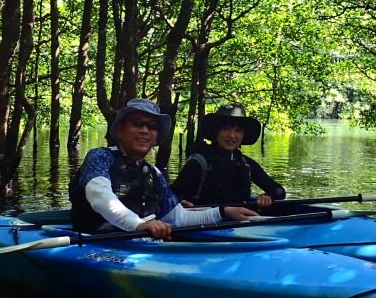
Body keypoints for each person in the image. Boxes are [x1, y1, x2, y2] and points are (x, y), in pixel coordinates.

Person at [69, 98, 258, 237]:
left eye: (152, 126)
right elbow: (100, 196)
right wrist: (138, 224)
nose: (144, 130)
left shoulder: (154, 174)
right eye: (137, 123)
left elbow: (179, 218)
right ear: (120, 130)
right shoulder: (100, 157)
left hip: (139, 245)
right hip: (95, 245)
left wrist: (223, 212)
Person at [170, 103, 286, 211]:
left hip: (236, 225)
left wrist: (268, 196)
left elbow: (279, 190)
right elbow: (170, 195)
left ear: (243, 135)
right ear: (216, 132)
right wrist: (181, 203)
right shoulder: (199, 162)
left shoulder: (245, 163)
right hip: (202, 224)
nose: (232, 135)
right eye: (226, 129)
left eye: (238, 130)